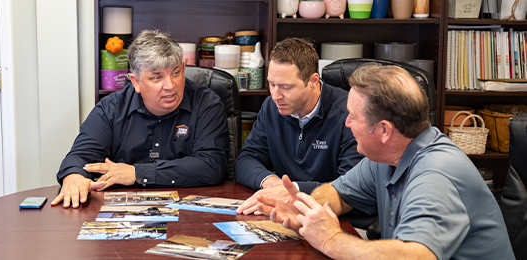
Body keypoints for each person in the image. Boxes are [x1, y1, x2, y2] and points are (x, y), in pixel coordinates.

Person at [258, 65, 514, 259]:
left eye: (353, 117)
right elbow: (338, 192)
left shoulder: (435, 175)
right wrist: (307, 208)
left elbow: (417, 255)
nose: (346, 123)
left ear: (384, 130)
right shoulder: (386, 157)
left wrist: (330, 239)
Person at [51, 30, 229, 209]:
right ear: (136, 82)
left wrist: (137, 173)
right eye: (157, 77)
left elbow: (212, 165)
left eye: (175, 73)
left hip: (192, 215)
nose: (170, 86)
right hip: (124, 214)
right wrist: (74, 177)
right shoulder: (111, 109)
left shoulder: (207, 104)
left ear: (183, 68)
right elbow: (80, 157)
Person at [235, 37, 364, 216]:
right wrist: (271, 182)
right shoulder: (271, 107)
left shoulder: (350, 114)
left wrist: (292, 189)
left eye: (286, 87)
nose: (275, 95)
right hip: (286, 214)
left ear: (313, 81)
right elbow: (246, 160)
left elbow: (351, 186)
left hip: (338, 219)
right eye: (271, 84)